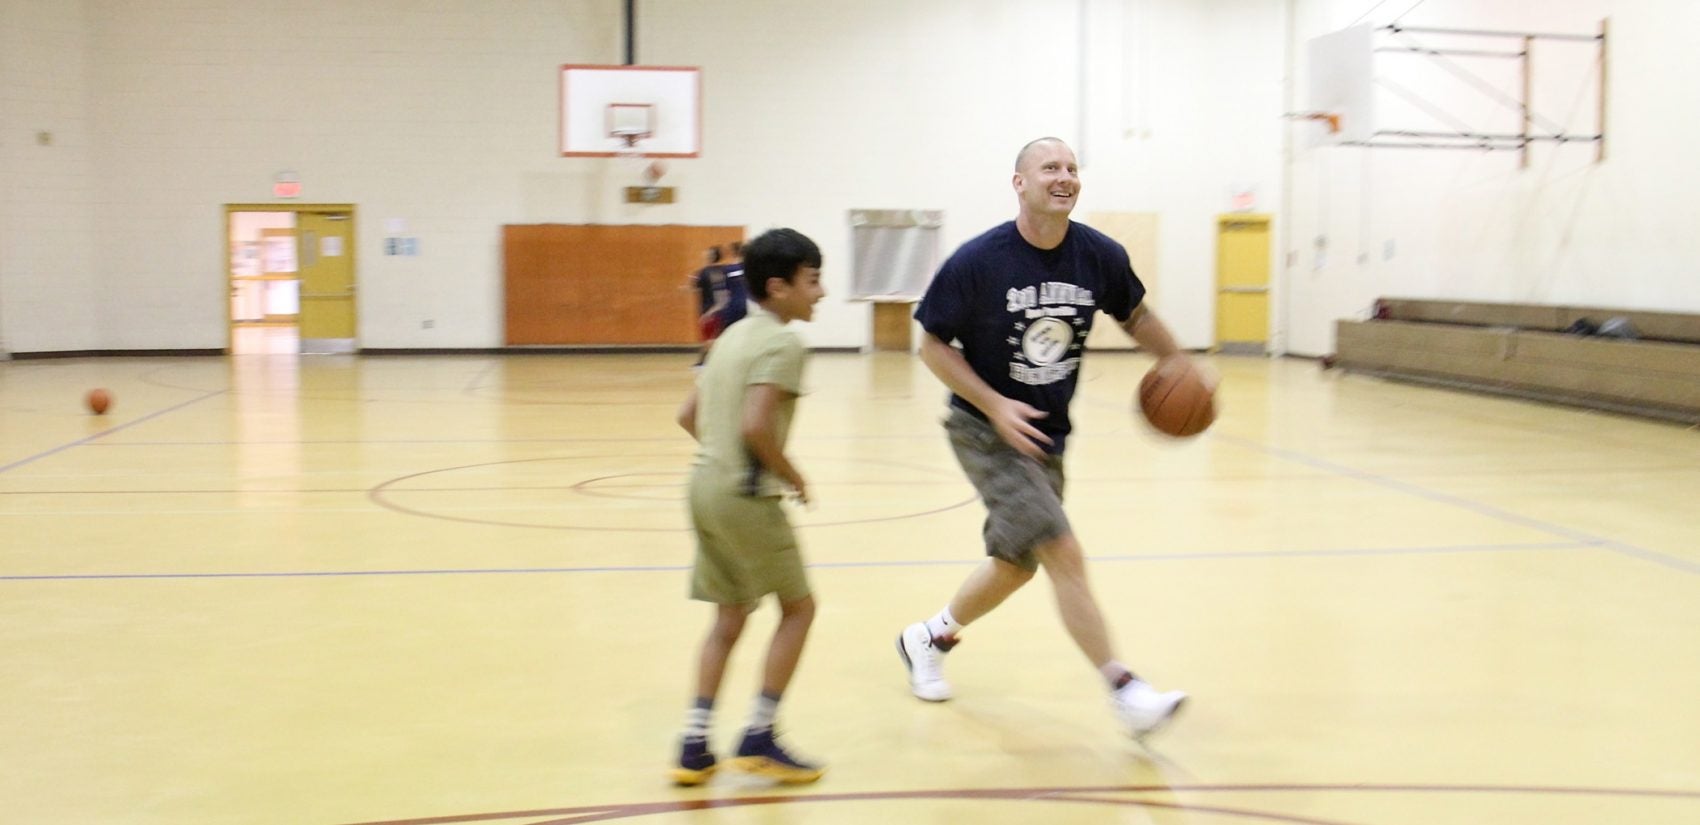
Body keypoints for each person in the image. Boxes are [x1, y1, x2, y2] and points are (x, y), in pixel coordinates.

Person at [896, 137, 1195, 740]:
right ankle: (1125, 690)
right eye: (1050, 168)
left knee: (1015, 565)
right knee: (1062, 550)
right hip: (983, 429)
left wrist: (1181, 364)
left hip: (1046, 432)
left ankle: (928, 637)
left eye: (1072, 168)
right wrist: (994, 404)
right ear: (1020, 183)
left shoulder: (1099, 256)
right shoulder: (979, 261)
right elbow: (931, 344)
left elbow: (1135, 315)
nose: (1064, 177)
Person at [671, 228, 828, 786]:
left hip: (703, 488)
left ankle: (694, 744)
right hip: (744, 495)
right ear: (779, 286)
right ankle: (760, 735)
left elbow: (688, 417)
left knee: (729, 616)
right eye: (813, 281)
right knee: (799, 609)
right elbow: (757, 426)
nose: (822, 292)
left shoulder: (730, 335)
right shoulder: (784, 343)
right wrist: (794, 476)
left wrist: (721, 461)